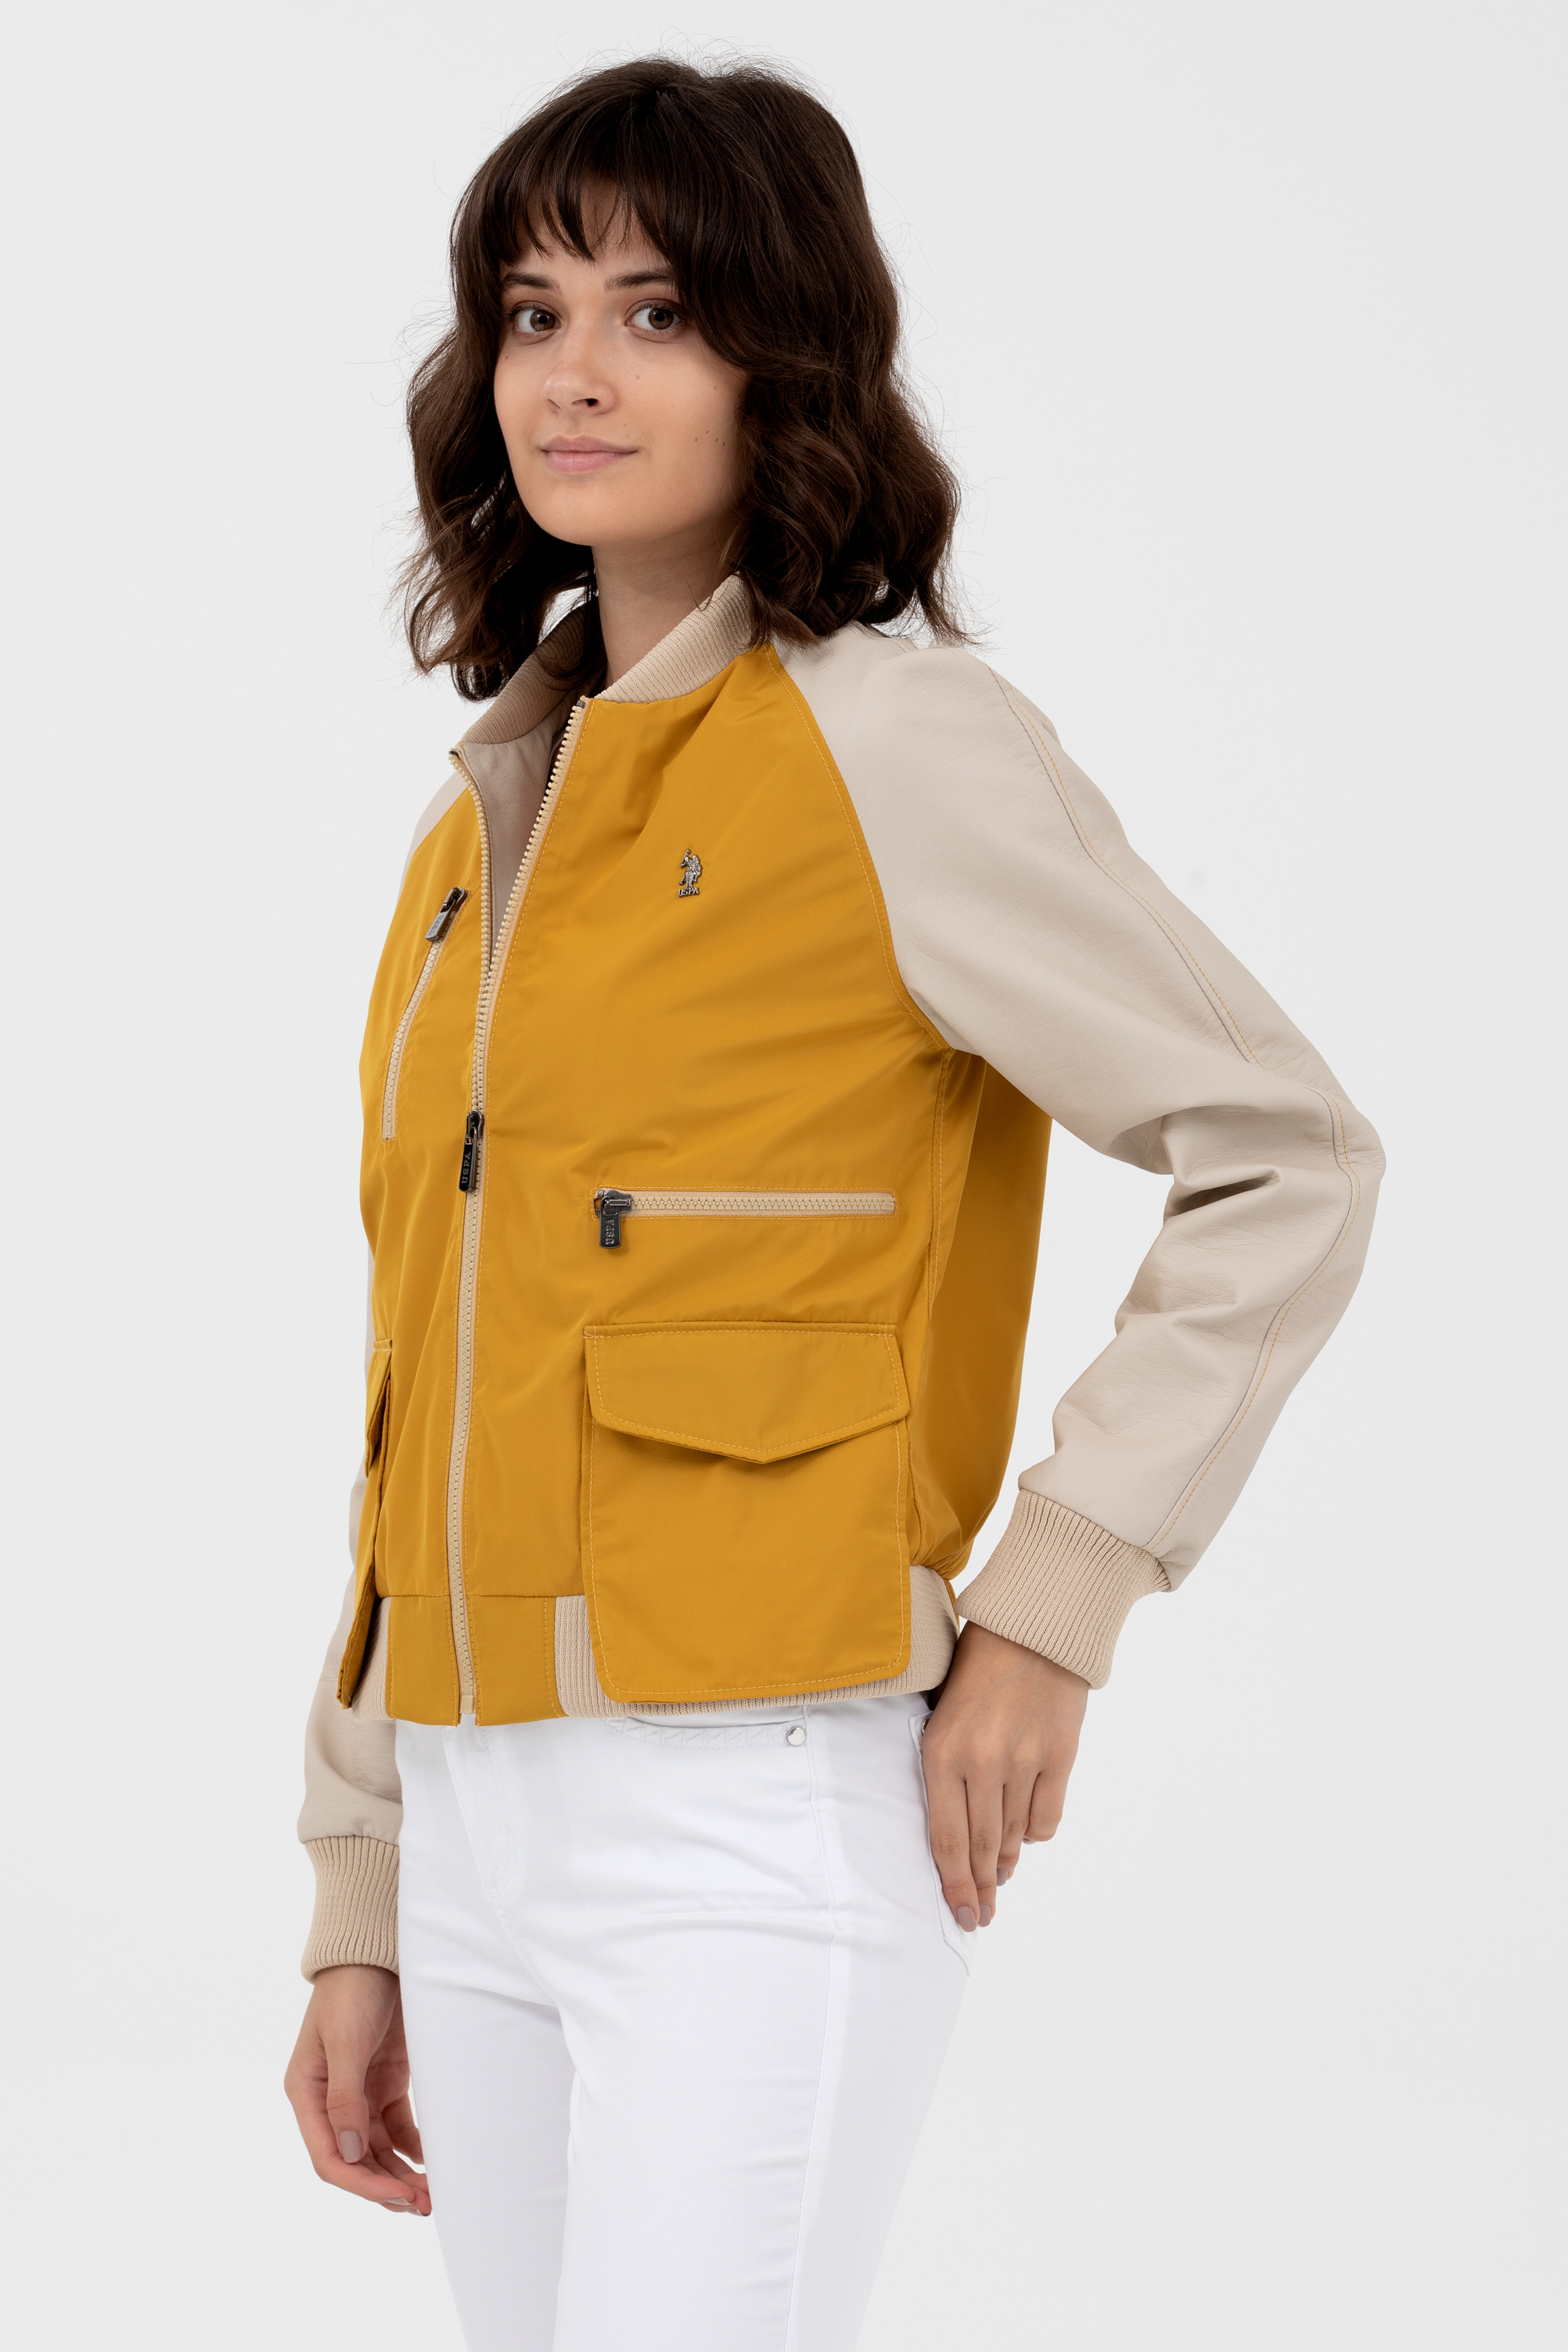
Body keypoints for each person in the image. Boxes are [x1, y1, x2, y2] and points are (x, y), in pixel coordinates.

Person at [283, 56, 1383, 2352]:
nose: (575, 373)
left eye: (658, 311)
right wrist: (362, 1878)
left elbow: (1283, 1153)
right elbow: (421, 1387)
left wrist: (1054, 1603)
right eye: (531, 312)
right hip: (469, 1830)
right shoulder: (474, 830)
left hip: (750, 1811)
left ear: (785, 353)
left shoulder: (895, 743)